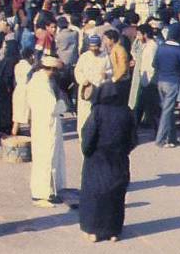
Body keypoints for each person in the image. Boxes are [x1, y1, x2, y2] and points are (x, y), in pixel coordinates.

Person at [79, 81, 137, 242]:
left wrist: (87, 152)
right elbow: (133, 139)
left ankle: (93, 231)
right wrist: (123, 151)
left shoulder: (97, 112)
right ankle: (113, 231)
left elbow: (88, 136)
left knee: (95, 195)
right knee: (116, 197)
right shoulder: (127, 112)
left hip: (98, 159)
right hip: (119, 160)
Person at [27, 54, 67, 208]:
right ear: (49, 69)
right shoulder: (41, 84)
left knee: (46, 158)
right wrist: (63, 105)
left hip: (42, 125)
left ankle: (50, 191)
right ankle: (41, 194)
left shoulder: (38, 80)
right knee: (46, 159)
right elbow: (52, 108)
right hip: (46, 126)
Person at [151, 24, 180, 148]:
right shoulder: (179, 50)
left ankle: (172, 137)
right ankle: (160, 139)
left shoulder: (161, 47)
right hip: (173, 82)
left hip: (160, 80)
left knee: (168, 109)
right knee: (167, 112)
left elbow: (154, 64)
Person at [73, 34, 109, 140]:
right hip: (86, 90)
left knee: (97, 114)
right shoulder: (84, 56)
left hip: (100, 90)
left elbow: (110, 71)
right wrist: (83, 80)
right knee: (84, 115)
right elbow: (78, 71)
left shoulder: (105, 57)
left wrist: (106, 75)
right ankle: (83, 137)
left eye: (96, 46)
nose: (94, 49)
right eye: (92, 46)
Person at [11, 47, 34, 136]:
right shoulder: (29, 67)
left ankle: (13, 140)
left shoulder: (17, 65)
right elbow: (29, 80)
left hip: (18, 91)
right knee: (30, 118)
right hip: (26, 93)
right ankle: (34, 138)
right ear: (30, 56)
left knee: (17, 119)